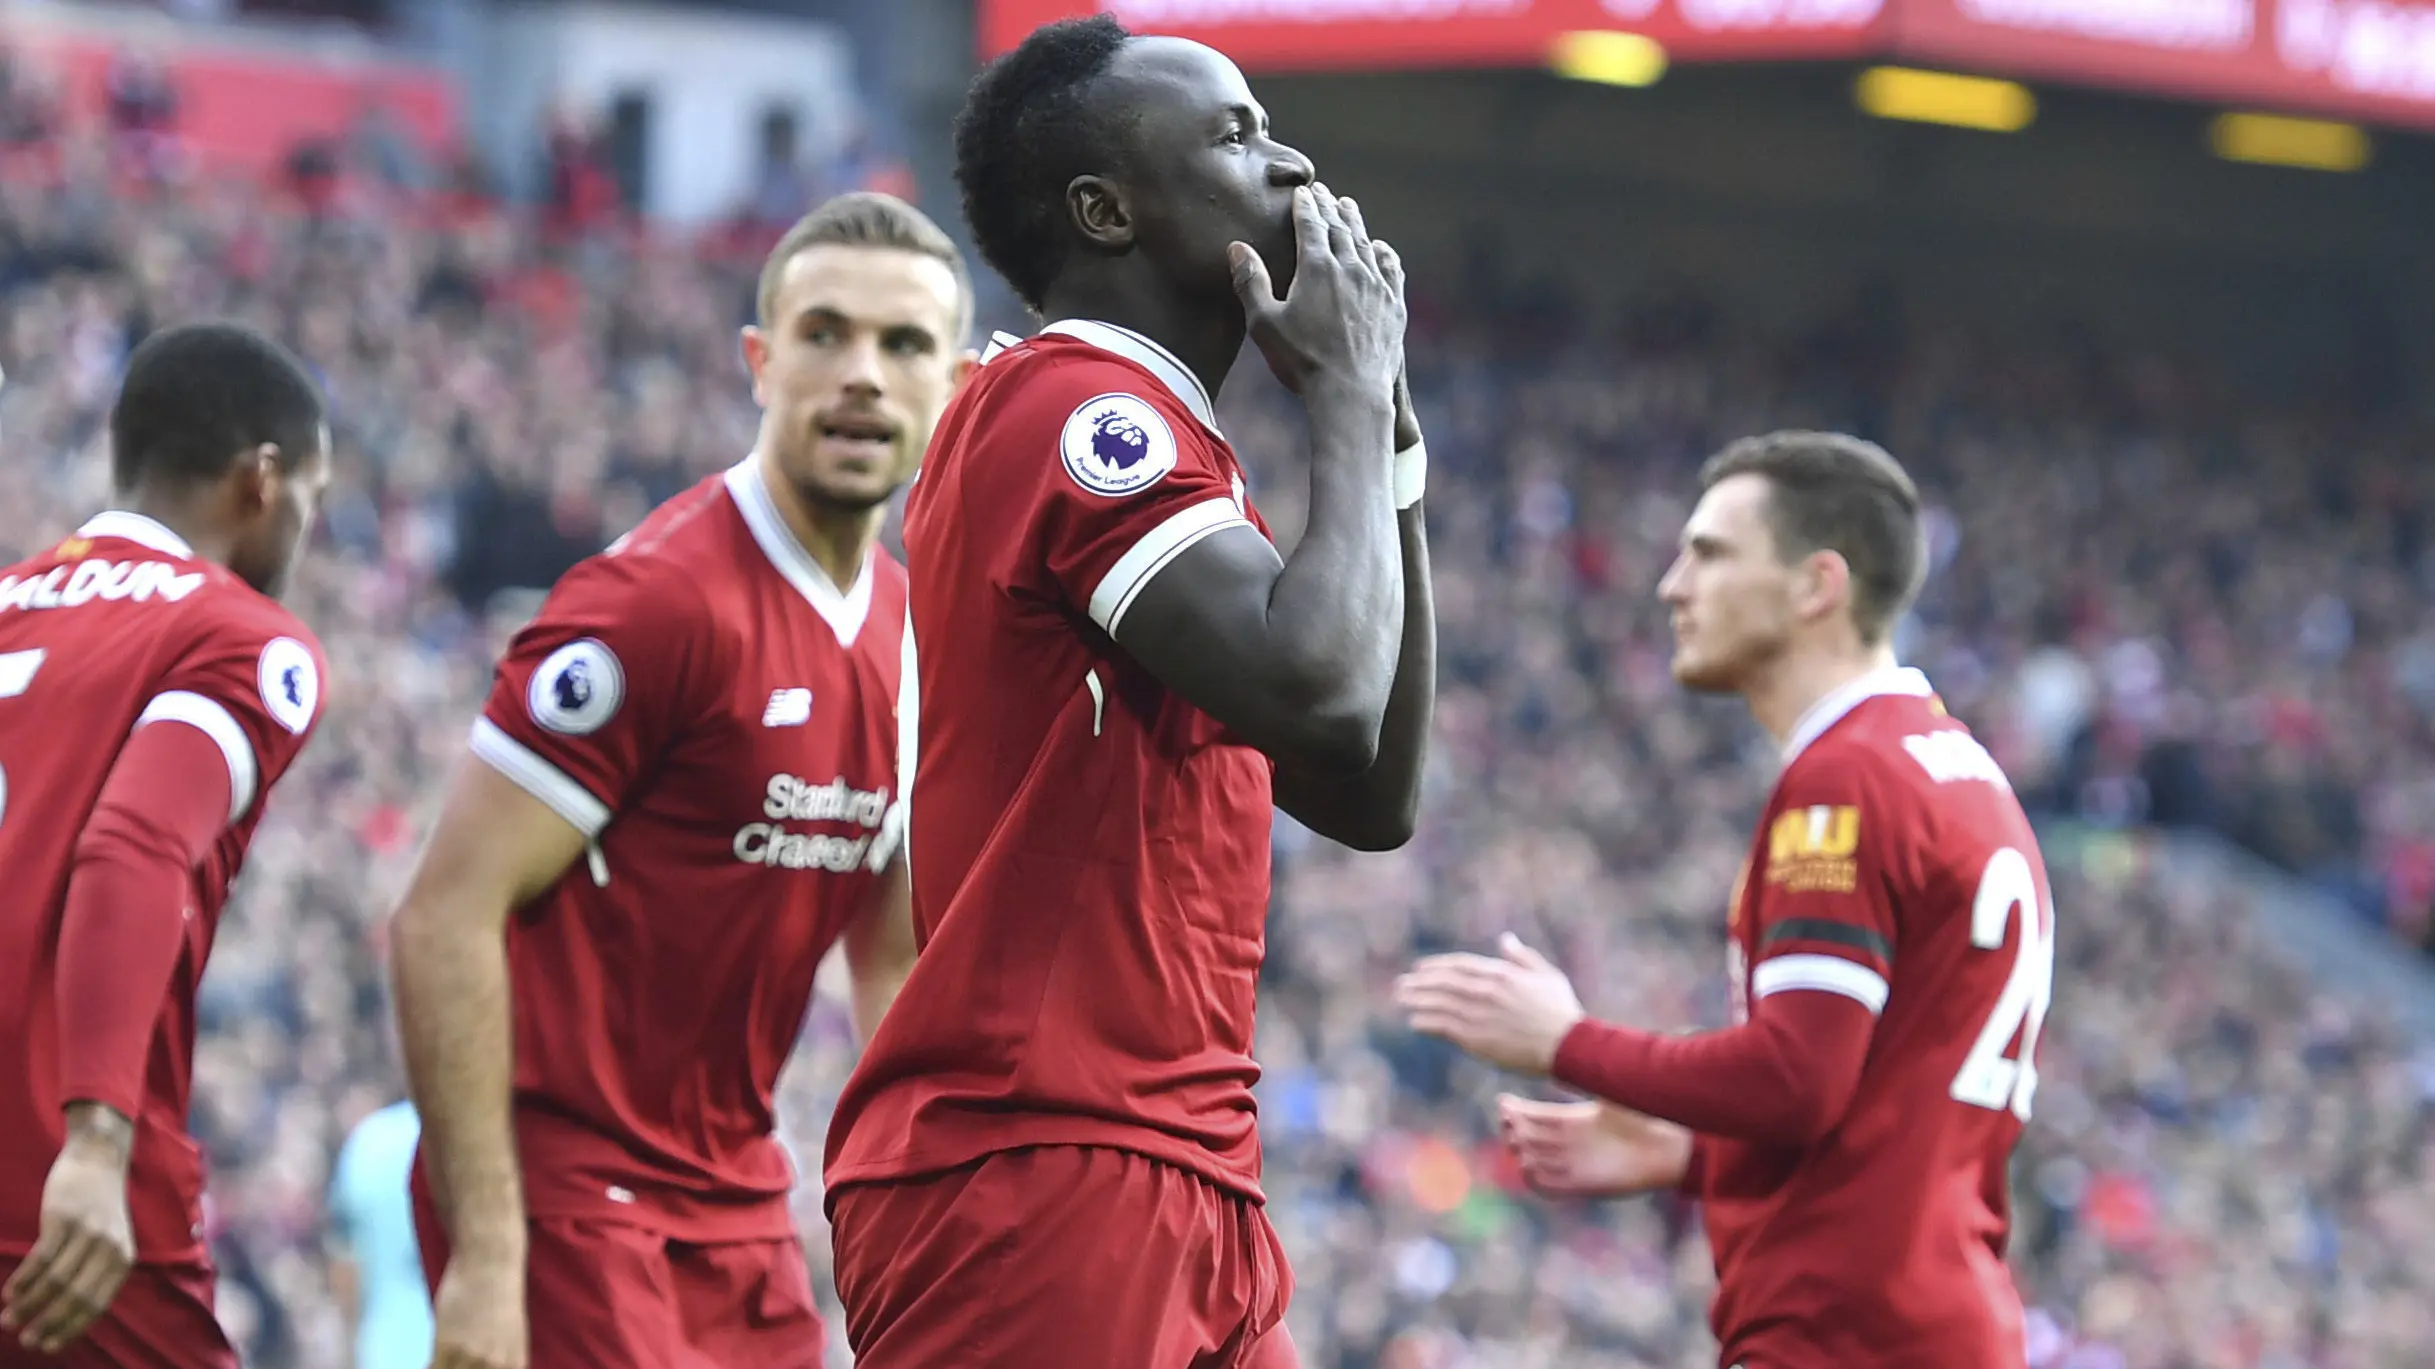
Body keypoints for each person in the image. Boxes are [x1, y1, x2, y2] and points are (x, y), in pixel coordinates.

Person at [823, 16, 1434, 1369]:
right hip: (1037, 1160)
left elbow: (1371, 785)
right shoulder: (1069, 408)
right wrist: (1338, 404)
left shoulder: (1177, 467)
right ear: (1105, 210)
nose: (1287, 164)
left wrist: (1383, 448)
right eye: (1231, 135)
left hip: (1181, 1161)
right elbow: (1326, 692)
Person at [388, 192, 969, 1369]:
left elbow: (892, 958)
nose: (862, 373)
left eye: (903, 345)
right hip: (567, 1193)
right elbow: (441, 917)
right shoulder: (655, 602)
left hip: (736, 1203)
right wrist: (489, 1258)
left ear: (950, 387)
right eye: (824, 334)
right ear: (760, 361)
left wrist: (928, 1219)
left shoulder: (918, 638)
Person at [1397, 431, 2045, 1369]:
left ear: (1815, 585)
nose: (1670, 585)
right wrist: (1694, 1158)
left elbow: (1797, 1079)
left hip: (1840, 1333)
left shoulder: (1847, 778)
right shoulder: (1956, 773)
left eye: (1707, 552)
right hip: (1933, 1318)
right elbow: (1879, 1108)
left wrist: (1566, 1042)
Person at [0, 321, 332, 1366]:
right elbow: (135, 843)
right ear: (261, 481)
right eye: (313, 500)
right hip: (59, 1191)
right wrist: (97, 1139)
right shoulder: (237, 636)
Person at [327, 1100, 431, 1369]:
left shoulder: (369, 1141)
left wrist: (348, 1352)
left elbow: (345, 1266)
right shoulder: (497, 1133)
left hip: (383, 1353)